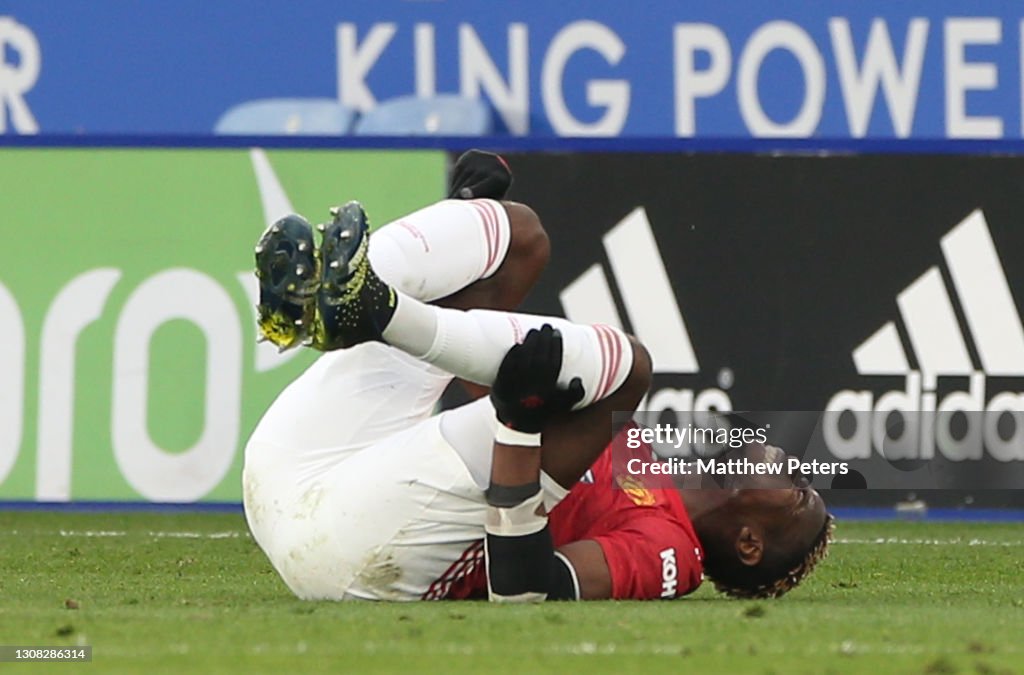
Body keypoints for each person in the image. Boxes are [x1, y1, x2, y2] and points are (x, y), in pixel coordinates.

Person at [243, 151, 833, 602]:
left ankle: (376, 306)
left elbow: (527, 586)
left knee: (628, 368)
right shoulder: (644, 454)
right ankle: (327, 300)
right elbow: (488, 379)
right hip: (287, 470)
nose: (790, 457)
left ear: (750, 543)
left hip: (363, 560)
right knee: (518, 238)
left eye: (800, 490)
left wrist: (521, 427)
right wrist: (462, 230)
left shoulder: (670, 551)